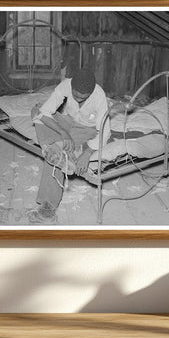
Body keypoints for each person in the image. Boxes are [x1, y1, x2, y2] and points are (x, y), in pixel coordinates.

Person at [27, 67, 111, 224]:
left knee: (54, 156)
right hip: (68, 122)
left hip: (86, 129)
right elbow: (45, 111)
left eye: (83, 97)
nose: (78, 99)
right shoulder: (65, 85)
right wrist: (63, 133)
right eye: (76, 95)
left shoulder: (99, 96)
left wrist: (87, 154)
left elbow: (105, 132)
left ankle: (48, 209)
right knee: (36, 109)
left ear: (92, 92)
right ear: (71, 86)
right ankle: (56, 149)